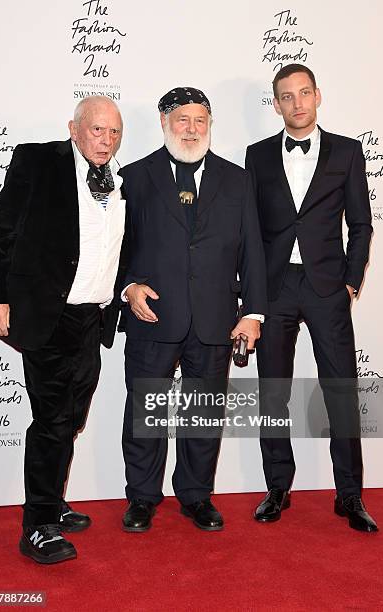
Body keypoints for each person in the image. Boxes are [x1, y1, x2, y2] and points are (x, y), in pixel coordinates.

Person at [0, 96, 128, 563]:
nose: (106, 140)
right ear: (74, 127)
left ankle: (51, 500)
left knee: (73, 416)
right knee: (53, 420)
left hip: (92, 318)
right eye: (97, 130)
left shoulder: (122, 180)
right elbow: (1, 230)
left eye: (114, 132)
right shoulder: (38, 160)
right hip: (48, 316)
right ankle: (38, 526)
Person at [120, 87, 267, 533]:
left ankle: (196, 496)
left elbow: (253, 252)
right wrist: (128, 287)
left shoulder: (237, 179)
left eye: (200, 120)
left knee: (203, 413)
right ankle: (143, 498)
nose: (191, 129)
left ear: (209, 125)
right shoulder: (133, 177)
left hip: (215, 317)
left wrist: (253, 312)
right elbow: (114, 247)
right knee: (146, 413)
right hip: (153, 315)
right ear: (164, 122)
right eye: (182, 119)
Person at [245, 64, 378, 532]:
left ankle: (350, 495)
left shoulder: (347, 151)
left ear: (318, 96)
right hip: (275, 289)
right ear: (276, 103)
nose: (297, 103)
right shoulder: (257, 156)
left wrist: (350, 280)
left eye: (304, 93)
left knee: (340, 391)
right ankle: (277, 486)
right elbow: (250, 230)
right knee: (272, 392)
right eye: (286, 96)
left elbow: (361, 224)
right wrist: (251, 294)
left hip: (327, 288)